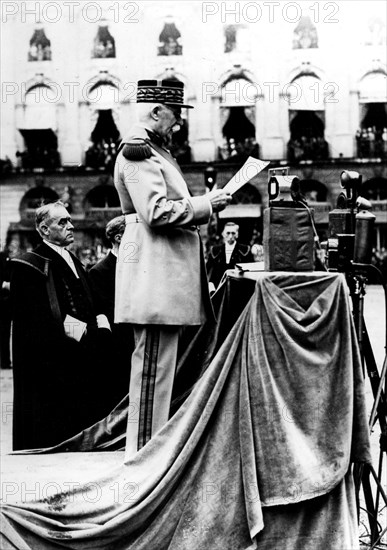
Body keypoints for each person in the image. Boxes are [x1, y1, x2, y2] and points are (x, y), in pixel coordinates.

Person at [114, 79, 232, 457]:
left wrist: (206, 205)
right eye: (176, 115)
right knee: (151, 372)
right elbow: (155, 212)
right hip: (155, 279)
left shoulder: (155, 152)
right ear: (156, 111)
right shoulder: (138, 153)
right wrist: (206, 204)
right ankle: (142, 459)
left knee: (159, 371)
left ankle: (149, 455)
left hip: (161, 279)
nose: (178, 124)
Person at [10, 200, 111, 450]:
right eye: (63, 222)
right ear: (44, 230)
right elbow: (42, 318)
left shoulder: (73, 260)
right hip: (56, 360)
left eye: (70, 220)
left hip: (83, 354)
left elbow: (92, 300)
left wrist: (102, 326)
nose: (71, 225)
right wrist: (87, 334)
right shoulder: (29, 265)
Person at [89, 216, 133, 409]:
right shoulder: (99, 271)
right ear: (118, 237)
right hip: (117, 346)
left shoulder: (137, 266)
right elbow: (103, 309)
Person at [206, 222, 253, 289]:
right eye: (228, 233)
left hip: (239, 288)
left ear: (237, 234)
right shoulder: (215, 251)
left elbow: (250, 272)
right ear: (223, 234)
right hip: (218, 287)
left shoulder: (245, 250)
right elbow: (208, 271)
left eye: (233, 233)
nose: (230, 236)